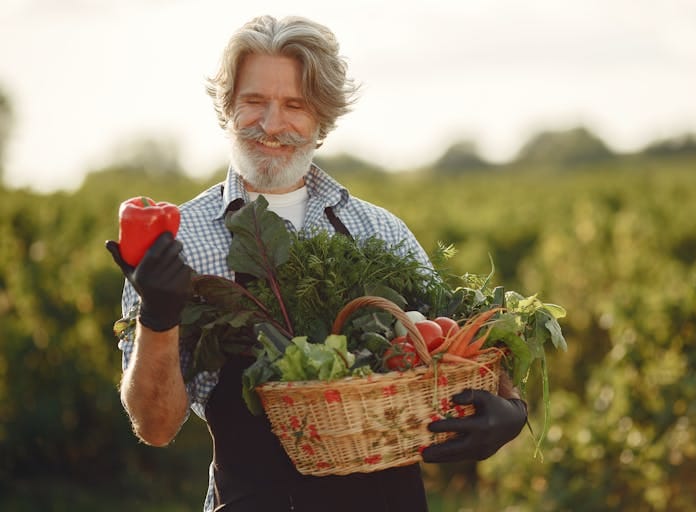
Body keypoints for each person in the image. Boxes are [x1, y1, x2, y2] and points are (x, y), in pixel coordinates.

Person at [106, 15, 527, 512]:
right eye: (254, 101)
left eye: (295, 105)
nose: (271, 124)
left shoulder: (381, 231)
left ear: (322, 120)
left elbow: (450, 343)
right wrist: (159, 318)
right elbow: (155, 428)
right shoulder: (179, 239)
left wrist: (511, 409)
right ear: (228, 108)